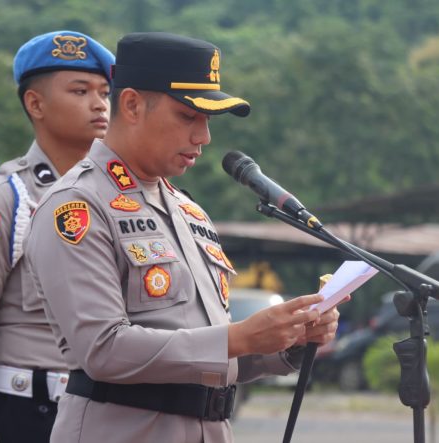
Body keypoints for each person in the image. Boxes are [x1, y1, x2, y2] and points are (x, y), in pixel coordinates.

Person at [24, 32, 342, 443]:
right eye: (188, 116)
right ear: (133, 105)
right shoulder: (78, 206)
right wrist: (239, 336)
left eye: (208, 121)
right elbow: (102, 350)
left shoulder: (188, 211)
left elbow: (213, 355)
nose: (204, 137)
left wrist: (290, 341)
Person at [0, 30, 115, 443]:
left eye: (104, 92)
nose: (99, 104)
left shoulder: (120, 199)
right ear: (35, 103)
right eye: (80, 90)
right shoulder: (2, 198)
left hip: (105, 416)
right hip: (28, 413)